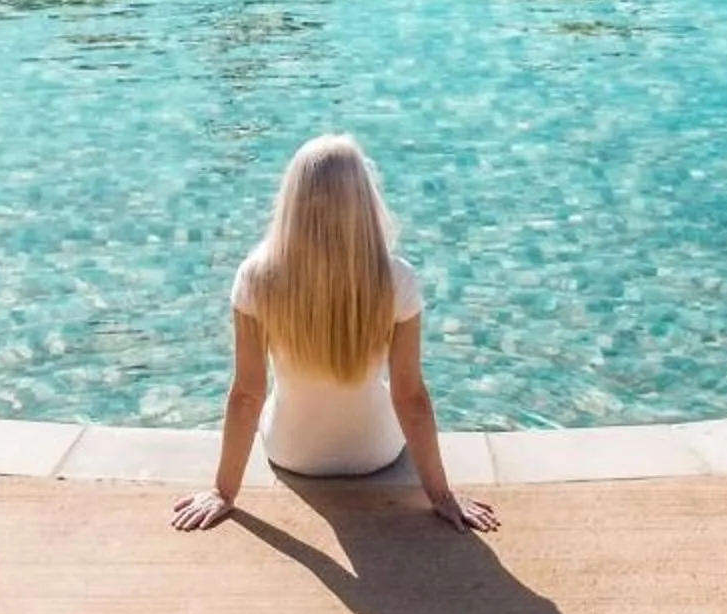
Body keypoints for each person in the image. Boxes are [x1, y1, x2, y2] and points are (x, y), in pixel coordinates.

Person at [170, 136, 497, 533]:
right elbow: (410, 395)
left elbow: (246, 394)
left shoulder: (256, 277)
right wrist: (441, 495)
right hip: (376, 451)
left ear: (291, 200)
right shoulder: (397, 279)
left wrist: (223, 492)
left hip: (291, 451)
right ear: (364, 199)